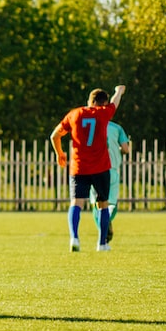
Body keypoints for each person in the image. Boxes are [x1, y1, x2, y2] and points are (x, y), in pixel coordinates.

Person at [50, 84, 126, 252]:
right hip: (100, 167)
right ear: (103, 103)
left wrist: (60, 153)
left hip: (79, 167)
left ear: (89, 101)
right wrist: (118, 91)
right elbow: (115, 102)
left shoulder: (74, 114)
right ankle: (101, 243)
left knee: (76, 202)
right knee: (103, 204)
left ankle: (74, 238)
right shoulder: (103, 113)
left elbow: (54, 135)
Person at [96, 118, 132, 244]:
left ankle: (102, 232)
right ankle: (108, 218)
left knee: (97, 205)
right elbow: (126, 149)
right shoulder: (117, 128)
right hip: (112, 169)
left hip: (95, 169)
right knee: (111, 203)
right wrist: (118, 150)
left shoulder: (90, 125)